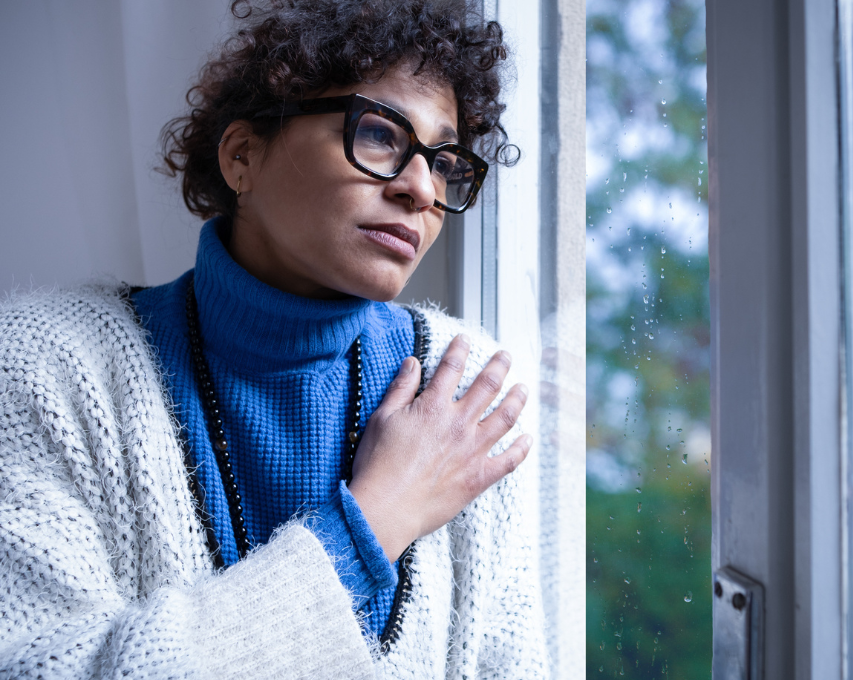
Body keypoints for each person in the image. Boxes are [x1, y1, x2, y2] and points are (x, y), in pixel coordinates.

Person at [0, 1, 548, 677]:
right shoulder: (40, 368)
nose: (419, 189)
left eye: (444, 163)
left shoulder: (465, 390)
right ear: (242, 156)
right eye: (379, 134)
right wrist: (370, 526)